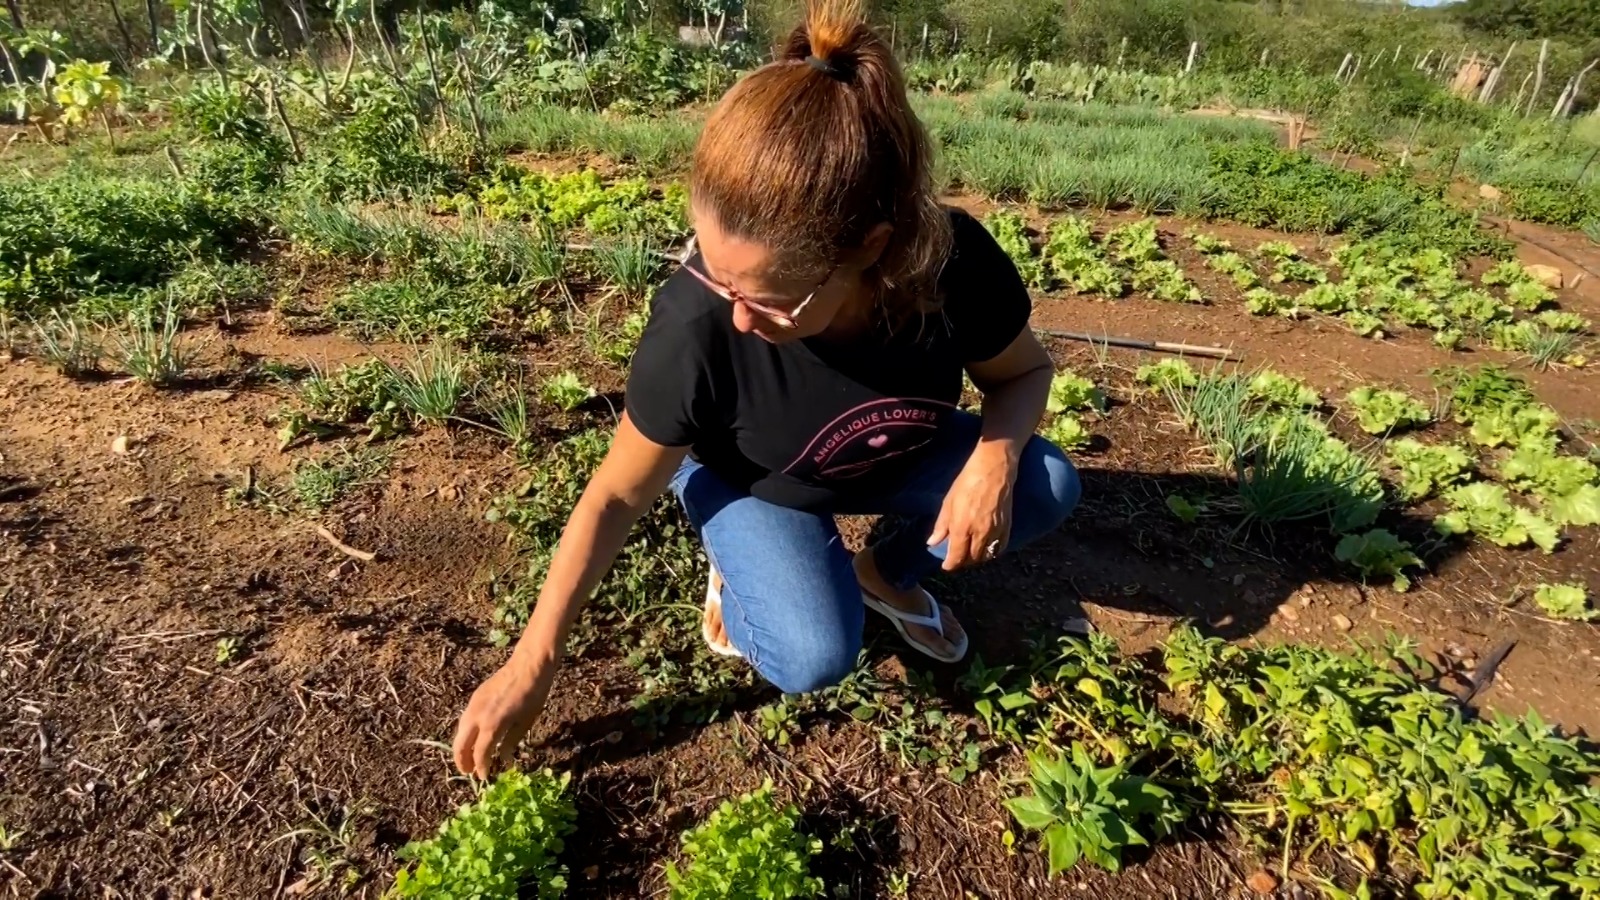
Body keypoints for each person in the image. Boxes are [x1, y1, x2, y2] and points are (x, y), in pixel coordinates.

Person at [452, 0, 1081, 779]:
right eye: (717, 275)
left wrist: (992, 459)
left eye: (771, 298)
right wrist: (533, 660)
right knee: (815, 655)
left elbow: (1022, 374)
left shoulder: (950, 264)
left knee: (1043, 482)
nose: (738, 317)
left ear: (870, 248)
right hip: (753, 475)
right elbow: (613, 498)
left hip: (886, 452)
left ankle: (885, 570)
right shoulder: (697, 322)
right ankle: (736, 549)